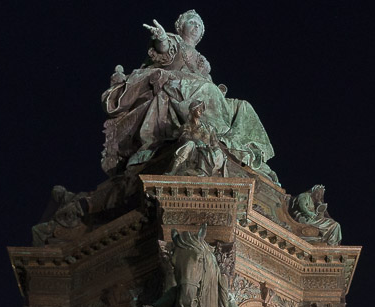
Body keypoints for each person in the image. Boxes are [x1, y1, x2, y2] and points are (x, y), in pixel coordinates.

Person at [102, 10, 277, 181]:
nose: (196, 26)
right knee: (208, 89)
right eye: (192, 22)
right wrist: (161, 38)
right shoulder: (175, 41)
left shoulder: (202, 60)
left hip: (203, 92)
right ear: (180, 27)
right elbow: (163, 49)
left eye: (199, 25)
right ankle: (214, 134)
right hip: (178, 85)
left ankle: (230, 142)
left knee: (243, 106)